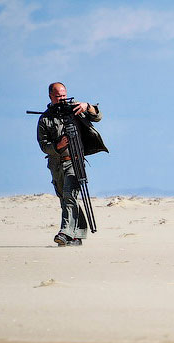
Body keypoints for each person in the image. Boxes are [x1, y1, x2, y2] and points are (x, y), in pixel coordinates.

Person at [36, 82, 107, 246]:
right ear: (50, 97)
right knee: (67, 199)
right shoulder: (45, 119)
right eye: (57, 96)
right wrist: (57, 146)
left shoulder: (76, 110)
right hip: (56, 164)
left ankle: (65, 233)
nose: (61, 99)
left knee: (69, 196)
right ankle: (77, 235)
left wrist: (87, 106)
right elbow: (43, 145)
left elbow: (97, 116)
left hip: (75, 162)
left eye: (63, 95)